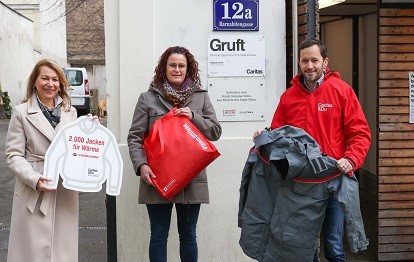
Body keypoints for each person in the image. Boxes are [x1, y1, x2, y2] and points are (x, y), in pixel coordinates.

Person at [255, 38, 371, 261]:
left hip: (333, 181)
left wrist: (351, 159)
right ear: (299, 63)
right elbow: (280, 136)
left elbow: (360, 133)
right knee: (304, 247)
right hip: (300, 185)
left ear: (325, 62)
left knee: (334, 246)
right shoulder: (289, 97)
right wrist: (264, 138)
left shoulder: (342, 91)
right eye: (304, 61)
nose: (309, 66)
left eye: (314, 60)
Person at [127, 46, 222, 261]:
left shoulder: (201, 97)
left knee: (188, 236)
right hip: (156, 177)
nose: (177, 69)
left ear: (188, 69)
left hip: (191, 178)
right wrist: (142, 165)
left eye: (181, 65)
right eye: (172, 65)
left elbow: (215, 131)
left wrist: (193, 117)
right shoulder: (147, 98)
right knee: (158, 236)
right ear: (164, 67)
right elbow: (135, 136)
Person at [5, 59, 99, 262]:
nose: (50, 84)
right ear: (35, 82)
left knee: (62, 249)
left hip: (64, 188)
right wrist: (35, 179)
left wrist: (92, 129)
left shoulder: (70, 112)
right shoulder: (21, 112)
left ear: (61, 83)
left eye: (55, 79)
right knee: (32, 251)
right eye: (45, 78)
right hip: (34, 187)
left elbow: (78, 148)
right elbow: (13, 155)